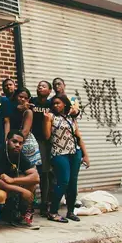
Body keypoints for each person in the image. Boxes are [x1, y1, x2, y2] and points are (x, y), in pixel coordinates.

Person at [43, 95, 91, 223]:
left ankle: (70, 211)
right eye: (53, 104)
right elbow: (47, 136)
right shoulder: (50, 117)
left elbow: (78, 136)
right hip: (59, 152)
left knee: (73, 183)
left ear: (65, 104)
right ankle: (52, 212)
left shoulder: (71, 118)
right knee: (63, 181)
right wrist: (47, 121)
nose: (55, 106)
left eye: (58, 103)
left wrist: (85, 155)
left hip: (75, 152)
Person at [0, 131, 40, 229]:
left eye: (20, 143)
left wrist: (13, 180)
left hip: (6, 180)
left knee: (32, 183)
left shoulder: (18, 154)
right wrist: (22, 190)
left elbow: (36, 177)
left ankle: (21, 215)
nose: (17, 145)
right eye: (14, 141)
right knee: (0, 195)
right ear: (7, 141)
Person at [30, 80, 54, 216]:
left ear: (49, 91)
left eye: (44, 86)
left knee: (45, 173)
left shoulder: (52, 104)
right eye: (39, 85)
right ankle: (30, 203)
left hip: (46, 141)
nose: (40, 87)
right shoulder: (32, 102)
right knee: (31, 172)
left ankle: (45, 203)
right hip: (33, 140)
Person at [9, 87, 41, 170]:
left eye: (25, 98)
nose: (23, 99)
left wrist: (15, 142)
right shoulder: (10, 108)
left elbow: (25, 131)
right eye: (20, 96)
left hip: (23, 143)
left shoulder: (28, 112)